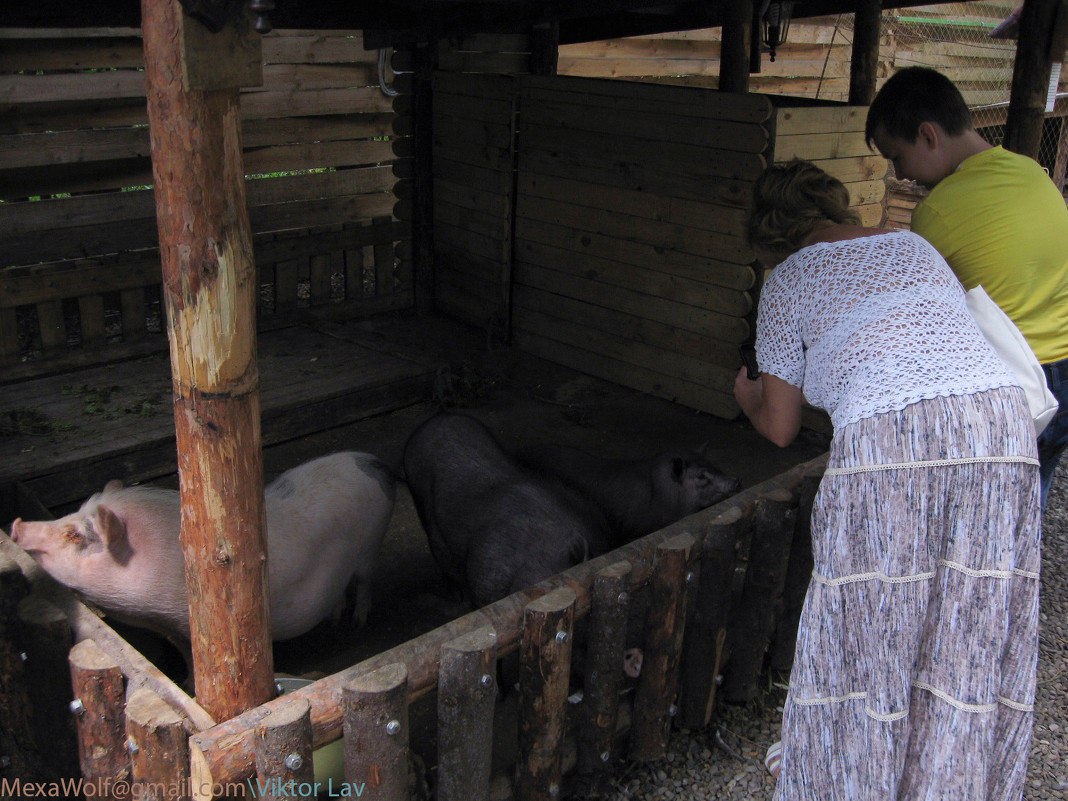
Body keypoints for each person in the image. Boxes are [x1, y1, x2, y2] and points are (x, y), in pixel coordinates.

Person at [734, 159, 1041, 801]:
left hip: (891, 440)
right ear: (834, 204)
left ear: (770, 230)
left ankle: (854, 779)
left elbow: (781, 426)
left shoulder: (788, 282)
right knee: (967, 614)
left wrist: (746, 395)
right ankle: (947, 782)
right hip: (999, 427)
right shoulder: (913, 245)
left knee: (870, 617)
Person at [865, 65, 1068, 508]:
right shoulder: (1031, 172)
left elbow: (918, 318)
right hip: (1063, 373)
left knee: (983, 512)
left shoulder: (939, 211)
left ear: (928, 135)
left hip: (1012, 383)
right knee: (1029, 498)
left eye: (897, 156)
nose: (902, 174)